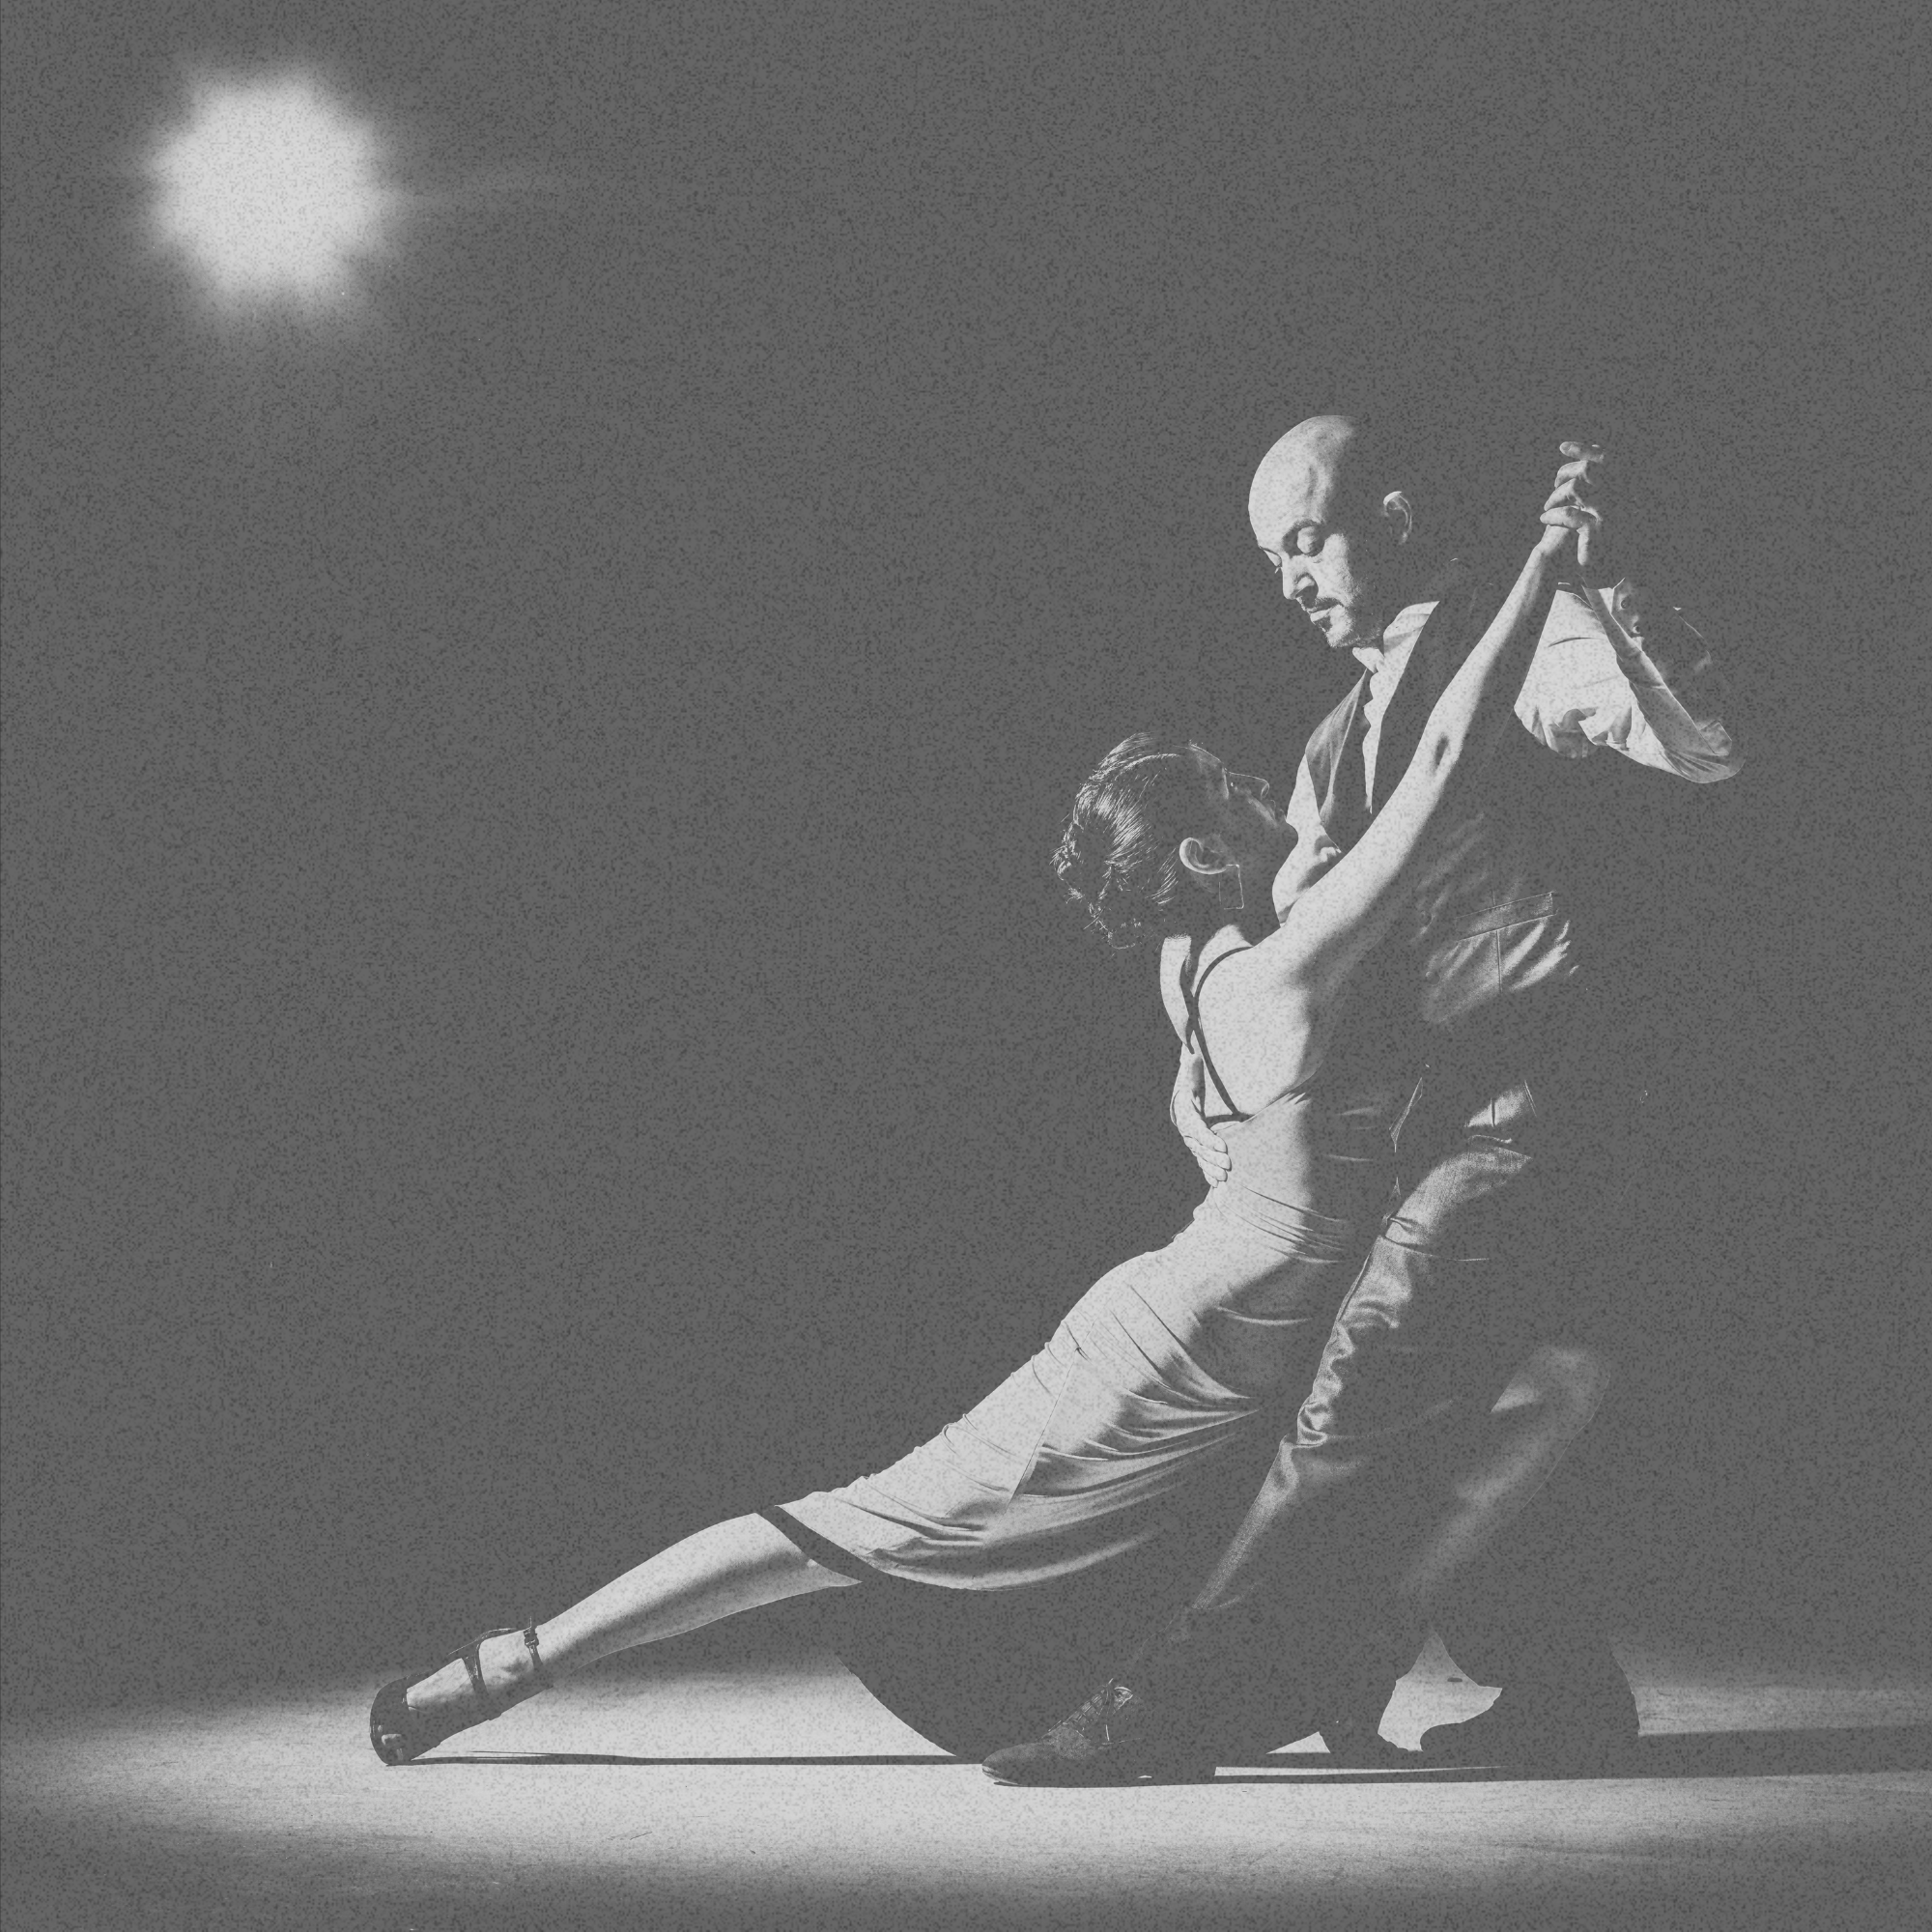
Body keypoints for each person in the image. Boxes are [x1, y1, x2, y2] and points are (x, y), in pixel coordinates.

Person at [370, 505, 1591, 1773]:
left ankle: (1349, 1672)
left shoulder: (1191, 970)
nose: (1264, 796)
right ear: (1199, 845)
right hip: (1178, 1352)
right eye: (1236, 791)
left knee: (1547, 1388)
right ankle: (514, 1664)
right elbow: (1444, 754)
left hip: (1211, 1311)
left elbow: (1203, 1123)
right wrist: (1538, 566)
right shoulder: (1284, 975)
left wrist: (1270, 1203)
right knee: (851, 1528)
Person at [983, 420, 1742, 1785]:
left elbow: (1702, 745)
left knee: (1370, 1384)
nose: (1287, 581)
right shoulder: (1335, 740)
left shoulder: (1523, 641)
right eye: (1267, 560)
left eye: (1306, 541)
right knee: (1507, 1392)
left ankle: (1172, 1710)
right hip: (1452, 1118)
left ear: (1391, 514)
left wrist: (1610, 592)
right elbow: (1298, 937)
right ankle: (1560, 1686)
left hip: (1544, 1095)